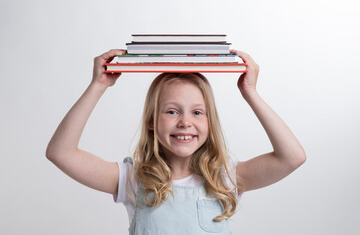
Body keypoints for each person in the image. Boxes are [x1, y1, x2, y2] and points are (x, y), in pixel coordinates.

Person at [46, 49, 306, 234]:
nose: (185, 122)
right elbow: (61, 153)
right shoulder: (132, 179)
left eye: (197, 112)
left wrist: (250, 92)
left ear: (210, 122)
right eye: (172, 111)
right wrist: (98, 86)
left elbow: (292, 157)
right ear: (151, 121)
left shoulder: (225, 177)